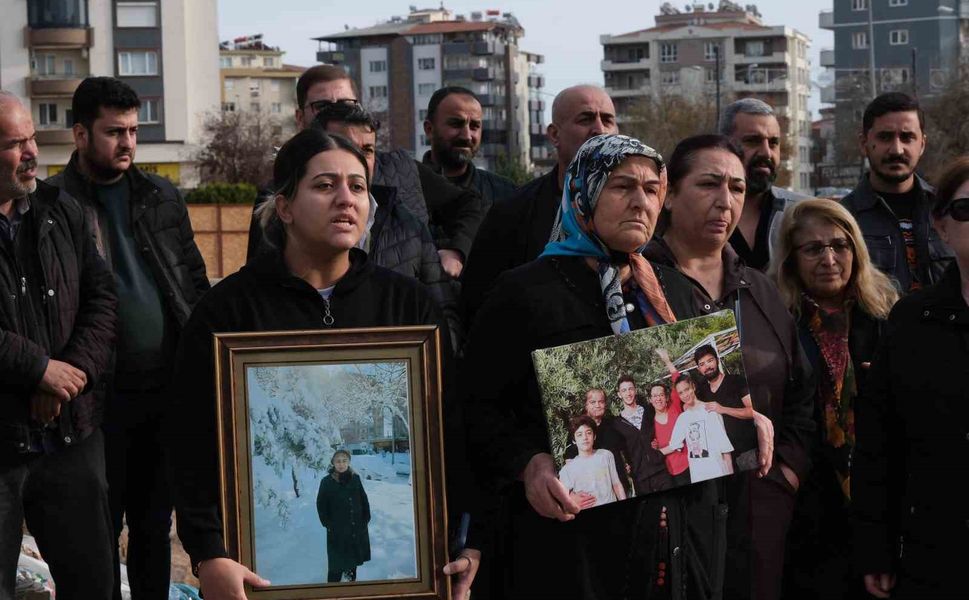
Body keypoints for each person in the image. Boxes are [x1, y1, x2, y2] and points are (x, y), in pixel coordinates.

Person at [169, 129, 479, 600]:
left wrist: (469, 543)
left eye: (357, 186)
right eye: (324, 185)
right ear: (285, 207)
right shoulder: (229, 311)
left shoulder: (407, 306)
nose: (346, 199)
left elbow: (451, 430)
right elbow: (189, 443)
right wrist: (209, 553)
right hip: (261, 579)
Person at [462, 134, 774, 599]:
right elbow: (474, 408)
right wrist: (527, 464)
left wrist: (748, 419)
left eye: (651, 189)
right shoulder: (525, 293)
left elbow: (696, 391)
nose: (640, 202)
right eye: (621, 186)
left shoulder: (675, 289)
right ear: (583, 192)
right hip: (573, 548)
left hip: (677, 543)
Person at [45, 76, 209, 600]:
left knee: (155, 525)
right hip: (96, 398)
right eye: (115, 131)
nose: (128, 143)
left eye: (134, 131)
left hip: (163, 391)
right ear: (79, 134)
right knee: (97, 531)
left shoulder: (161, 195)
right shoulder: (54, 205)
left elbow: (194, 282)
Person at [643, 134, 814, 600]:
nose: (725, 201)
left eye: (737, 188)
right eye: (709, 184)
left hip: (758, 514)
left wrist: (785, 474)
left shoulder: (761, 290)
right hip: (667, 524)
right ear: (668, 194)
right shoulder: (631, 286)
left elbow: (800, 395)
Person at [0, 90, 117, 598]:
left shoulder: (60, 209)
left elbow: (102, 300)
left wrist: (67, 374)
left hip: (70, 435)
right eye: (14, 143)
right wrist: (36, 368)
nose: (31, 153)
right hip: (1, 442)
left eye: (31, 138)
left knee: (94, 586)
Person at [768, 198, 898, 599]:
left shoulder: (888, 317)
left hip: (878, 504)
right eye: (813, 248)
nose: (829, 258)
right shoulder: (775, 322)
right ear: (791, 259)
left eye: (839, 245)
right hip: (806, 511)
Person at [851, 155, 969, 599]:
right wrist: (875, 550)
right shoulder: (911, 320)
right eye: (965, 209)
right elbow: (879, 446)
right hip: (934, 554)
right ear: (940, 226)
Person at [253, 65, 484, 280]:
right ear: (301, 118)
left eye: (346, 103)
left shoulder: (402, 168)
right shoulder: (278, 193)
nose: (337, 111)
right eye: (323, 106)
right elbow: (260, 281)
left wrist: (456, 251)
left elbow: (469, 204)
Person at [461, 84, 618, 323]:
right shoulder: (512, 214)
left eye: (608, 120)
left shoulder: (638, 209)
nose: (599, 129)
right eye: (585, 119)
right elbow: (477, 307)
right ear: (554, 135)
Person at [842, 92, 954, 292]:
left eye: (907, 137)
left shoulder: (949, 209)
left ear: (922, 144)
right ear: (863, 143)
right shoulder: (844, 219)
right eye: (885, 137)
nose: (897, 150)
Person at [719, 98, 810, 271]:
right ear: (724, 144)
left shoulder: (803, 213)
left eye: (773, 143)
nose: (766, 153)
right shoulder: (699, 213)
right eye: (753, 141)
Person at [422, 87, 518, 214]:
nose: (467, 136)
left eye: (474, 126)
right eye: (456, 124)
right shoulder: (403, 191)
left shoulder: (505, 194)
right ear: (429, 129)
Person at [692, 344, 757, 470]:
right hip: (722, 458)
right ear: (699, 369)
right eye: (702, 364)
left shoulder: (737, 381)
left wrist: (723, 409)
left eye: (710, 361)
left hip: (747, 452)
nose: (707, 367)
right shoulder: (701, 392)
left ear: (717, 360)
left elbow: (753, 411)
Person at [659, 376, 734, 482]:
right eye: (680, 393)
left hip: (718, 470)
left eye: (687, 389)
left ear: (693, 387)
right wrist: (652, 455)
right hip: (697, 475)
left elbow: (725, 447)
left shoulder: (711, 410)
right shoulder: (683, 418)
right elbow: (674, 444)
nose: (685, 395)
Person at [612, 374, 673, 494]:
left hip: (661, 470)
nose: (628, 393)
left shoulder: (649, 410)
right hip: (640, 478)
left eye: (630, 389)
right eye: (624, 390)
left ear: (635, 390)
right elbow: (618, 449)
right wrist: (624, 465)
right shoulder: (617, 424)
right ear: (619, 394)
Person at [316, 450, 371, 583]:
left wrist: (365, 518)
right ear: (333, 463)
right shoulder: (327, 481)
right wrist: (328, 524)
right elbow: (321, 504)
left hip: (356, 527)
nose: (341, 464)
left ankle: (349, 585)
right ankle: (332, 590)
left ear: (349, 462)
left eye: (344, 461)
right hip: (337, 530)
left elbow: (363, 499)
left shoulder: (355, 478)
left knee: (352, 561)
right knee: (336, 564)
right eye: (338, 461)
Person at [562, 388, 631, 492]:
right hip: (595, 492)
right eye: (592, 402)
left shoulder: (613, 425)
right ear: (586, 405)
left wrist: (627, 464)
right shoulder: (579, 429)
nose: (597, 405)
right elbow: (569, 461)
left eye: (601, 402)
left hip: (620, 486)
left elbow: (625, 448)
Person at [557, 416, 626, 508]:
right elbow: (563, 500)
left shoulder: (606, 455)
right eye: (579, 434)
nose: (585, 437)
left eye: (588, 433)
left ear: (594, 436)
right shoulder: (567, 469)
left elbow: (616, 484)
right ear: (574, 440)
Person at [649, 349, 689, 485]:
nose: (658, 398)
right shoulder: (650, 423)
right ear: (650, 400)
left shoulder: (675, 407)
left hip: (690, 463)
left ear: (666, 397)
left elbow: (677, 378)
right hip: (670, 474)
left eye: (661, 395)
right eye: (654, 396)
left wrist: (667, 361)